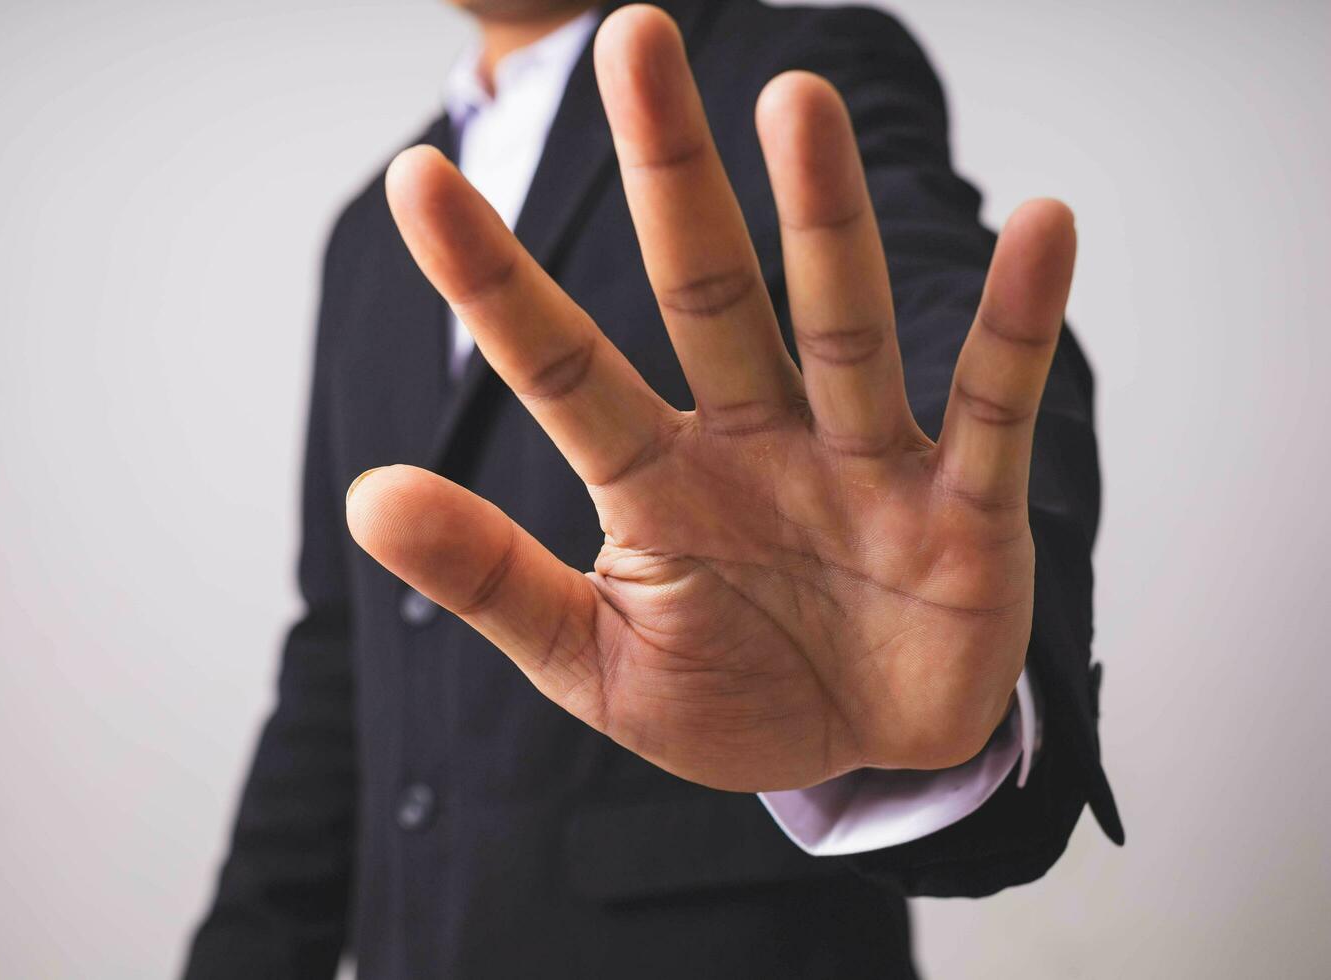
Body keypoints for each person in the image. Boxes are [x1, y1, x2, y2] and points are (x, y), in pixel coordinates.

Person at [185, 2, 1122, 977]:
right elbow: (345, 648)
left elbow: (946, 327)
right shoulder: (364, 239)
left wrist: (956, 642)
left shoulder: (790, 67)